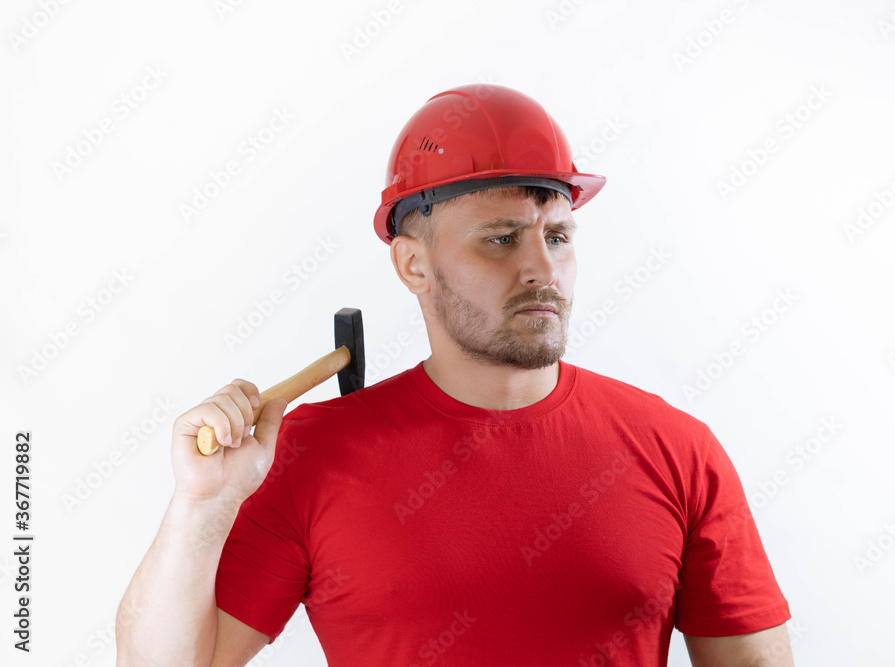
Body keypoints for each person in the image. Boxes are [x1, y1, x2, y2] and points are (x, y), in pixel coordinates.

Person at [116, 83, 794, 666]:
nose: (542, 268)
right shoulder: (307, 453)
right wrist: (201, 507)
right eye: (500, 238)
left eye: (556, 236)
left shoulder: (678, 450)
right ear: (413, 266)